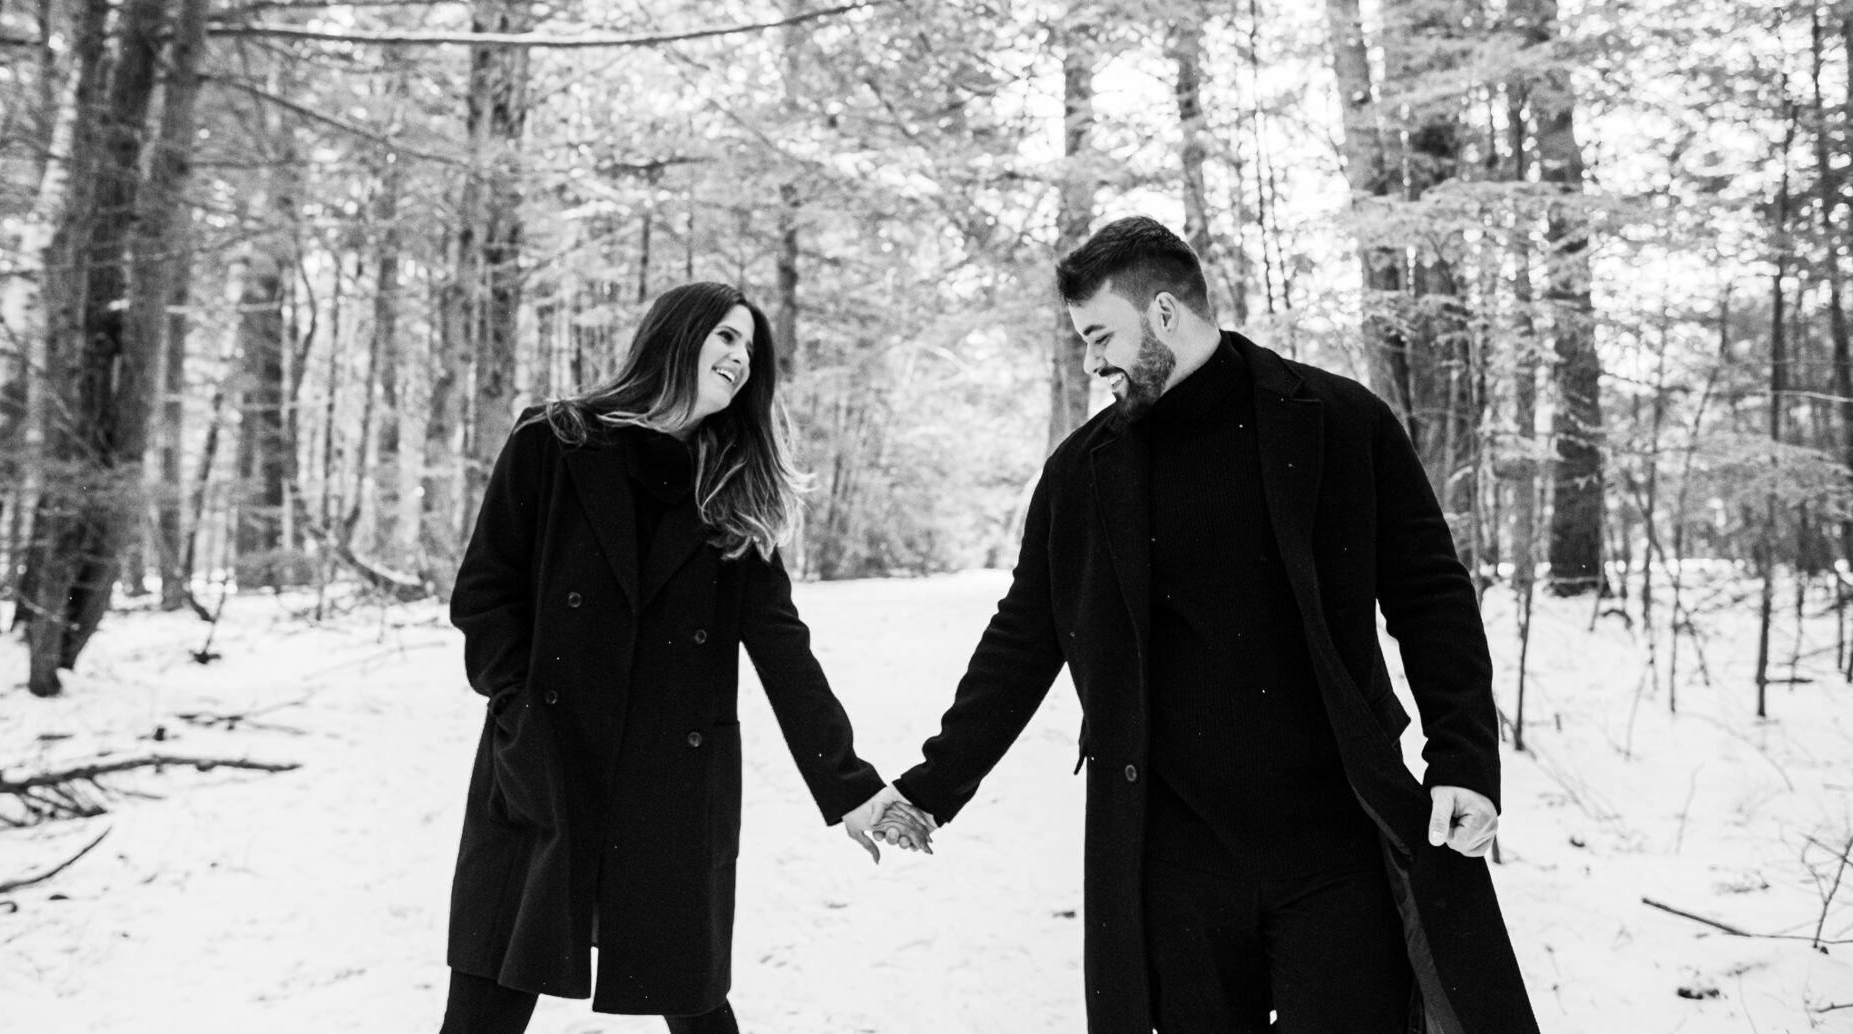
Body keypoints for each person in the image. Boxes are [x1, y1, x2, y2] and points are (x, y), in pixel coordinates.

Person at [861, 217, 1540, 1033]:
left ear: (1165, 314)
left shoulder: (1339, 422)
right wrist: (933, 787)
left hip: (1336, 847)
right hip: (1171, 863)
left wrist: (1463, 755)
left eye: (1099, 336)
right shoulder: (1081, 476)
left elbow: (1430, 596)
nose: (1091, 363)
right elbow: (1022, 639)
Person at [439, 282, 888, 1034]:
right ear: (675, 339)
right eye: (726, 337)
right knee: (486, 995)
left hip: (671, 783)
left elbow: (784, 650)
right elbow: (485, 596)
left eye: (751, 348)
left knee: (692, 1000)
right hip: (548, 758)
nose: (742, 358)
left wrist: (849, 786)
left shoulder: (732, 494)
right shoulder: (552, 442)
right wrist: (519, 712)